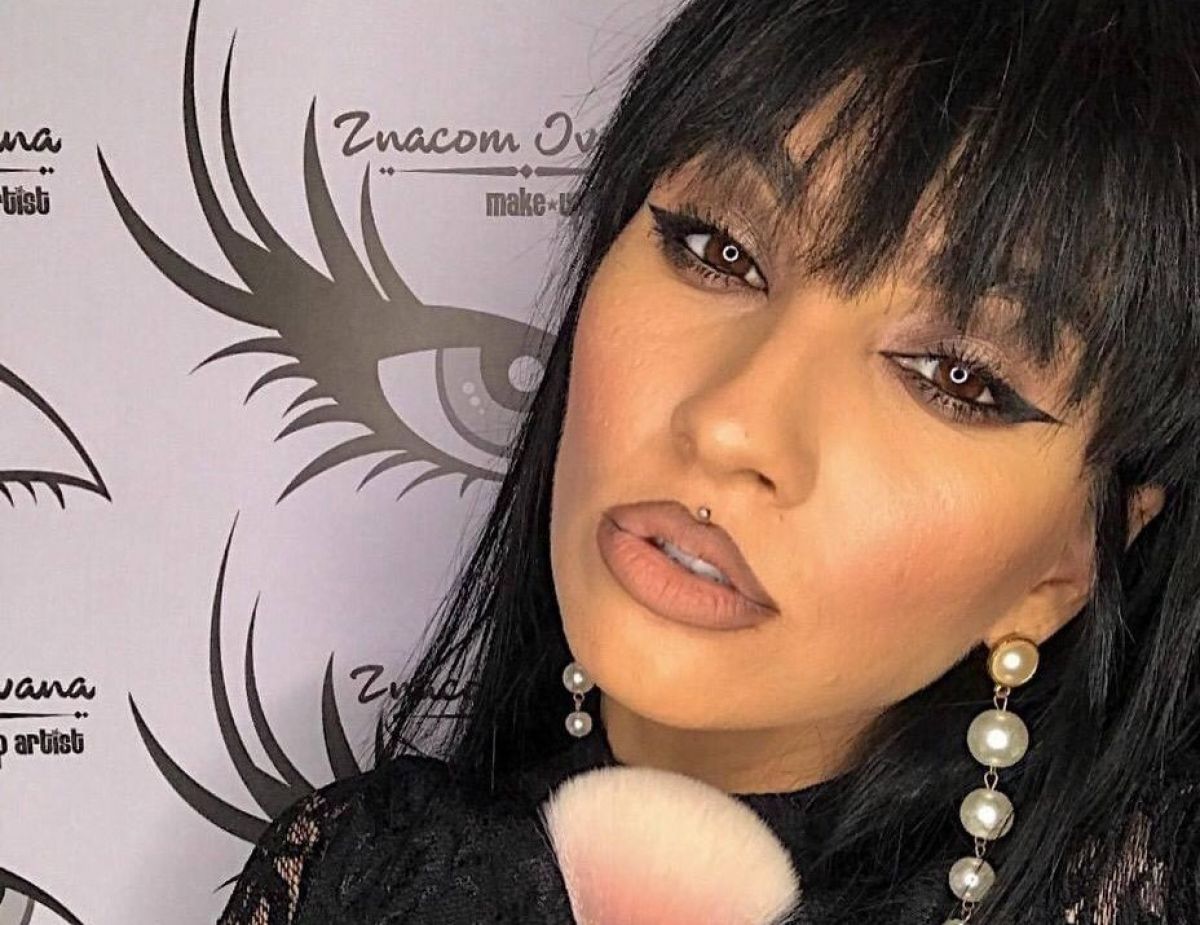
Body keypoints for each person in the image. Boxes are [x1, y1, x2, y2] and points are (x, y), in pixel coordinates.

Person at [215, 0, 1200, 922]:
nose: (733, 424)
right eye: (720, 248)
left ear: (1073, 558)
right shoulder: (369, 878)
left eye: (954, 375)